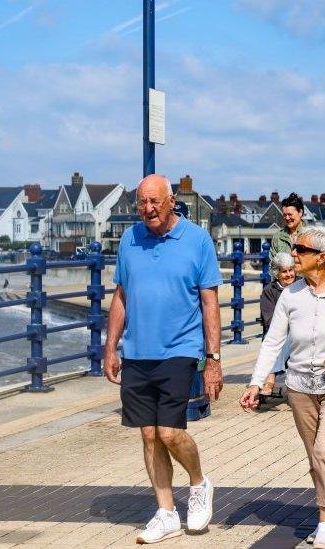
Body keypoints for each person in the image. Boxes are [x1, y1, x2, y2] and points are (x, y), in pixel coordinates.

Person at [239, 226, 325, 549]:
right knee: (314, 457)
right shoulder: (290, 296)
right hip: (299, 390)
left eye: (300, 250)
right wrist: (256, 383)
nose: (294, 255)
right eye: (294, 249)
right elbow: (272, 341)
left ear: (321, 258)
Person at [103, 174, 224, 544]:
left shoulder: (197, 240)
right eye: (142, 202)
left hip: (181, 349)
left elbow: (209, 303)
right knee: (149, 434)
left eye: (155, 201)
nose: (148, 209)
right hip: (137, 351)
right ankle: (166, 511)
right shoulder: (129, 239)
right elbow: (121, 296)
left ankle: (200, 483)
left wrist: (213, 360)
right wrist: (111, 347)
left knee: (171, 432)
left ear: (172, 201)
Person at [258, 252, 296, 394]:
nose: (288, 274)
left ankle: (271, 376)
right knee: (280, 338)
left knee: (294, 334)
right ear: (276, 273)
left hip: (299, 331)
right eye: (284, 271)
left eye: (291, 270)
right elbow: (268, 319)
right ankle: (272, 375)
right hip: (278, 332)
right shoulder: (269, 291)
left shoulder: (301, 286)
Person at [270, 192, 305, 257]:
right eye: (284, 215)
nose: (287, 218)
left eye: (290, 214)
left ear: (300, 212)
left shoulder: (310, 234)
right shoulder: (277, 237)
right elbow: (272, 263)